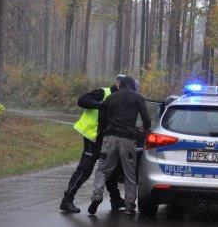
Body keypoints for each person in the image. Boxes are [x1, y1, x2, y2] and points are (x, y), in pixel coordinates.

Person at [59, 76, 129, 213]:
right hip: (93, 139)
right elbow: (82, 100)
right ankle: (67, 200)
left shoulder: (123, 98)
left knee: (111, 170)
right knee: (85, 170)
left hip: (108, 141)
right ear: (118, 84)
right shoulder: (103, 92)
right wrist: (99, 105)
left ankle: (115, 200)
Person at [89, 75, 152, 215]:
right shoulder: (138, 98)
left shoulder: (110, 97)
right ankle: (129, 206)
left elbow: (102, 118)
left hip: (110, 137)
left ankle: (96, 197)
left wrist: (104, 131)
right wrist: (142, 129)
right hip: (128, 139)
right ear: (132, 86)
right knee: (129, 173)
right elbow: (146, 120)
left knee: (102, 169)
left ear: (121, 85)